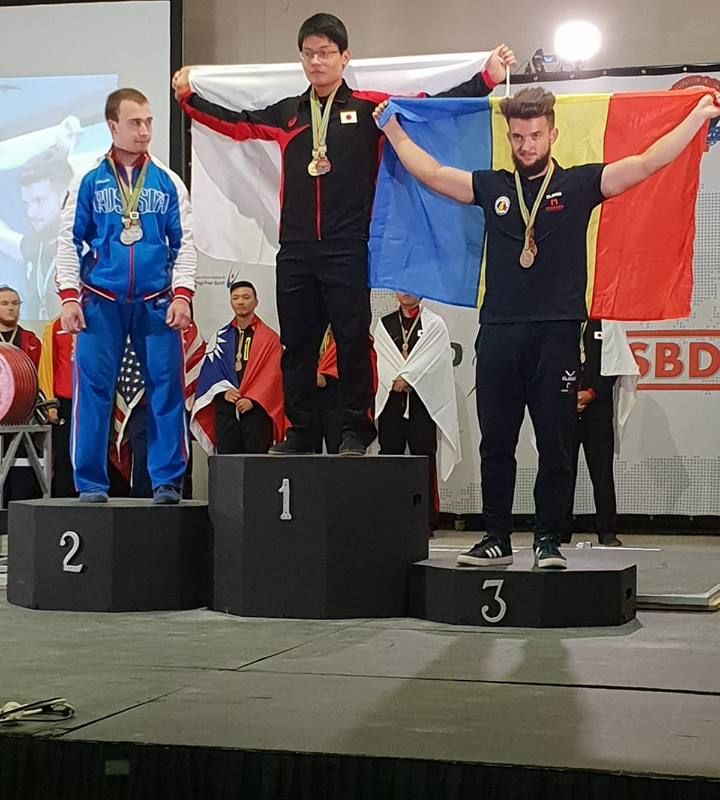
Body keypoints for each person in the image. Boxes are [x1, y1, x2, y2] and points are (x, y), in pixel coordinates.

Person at [374, 86, 720, 569]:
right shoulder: (493, 186)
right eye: (518, 137)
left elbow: (646, 163)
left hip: (557, 334)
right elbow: (432, 174)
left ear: (552, 134)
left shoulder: (579, 184)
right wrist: (392, 128)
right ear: (509, 137)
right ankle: (495, 538)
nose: (527, 145)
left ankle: (548, 541)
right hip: (499, 331)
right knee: (496, 443)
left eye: (535, 135)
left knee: (556, 443)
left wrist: (697, 118)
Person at [172, 13, 515, 456]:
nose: (317, 62)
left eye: (326, 53)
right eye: (309, 54)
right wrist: (189, 98)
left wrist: (486, 78)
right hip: (295, 248)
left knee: (351, 340)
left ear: (344, 57)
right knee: (297, 345)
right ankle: (301, 431)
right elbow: (237, 123)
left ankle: (356, 428)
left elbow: (427, 106)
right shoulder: (288, 113)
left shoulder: (369, 108)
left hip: (348, 245)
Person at [55, 88, 197, 505]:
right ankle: (90, 482)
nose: (145, 131)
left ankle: (167, 481)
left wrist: (183, 295)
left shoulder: (168, 181)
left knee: (166, 389)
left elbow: (185, 243)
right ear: (112, 126)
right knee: (93, 390)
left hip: (156, 301)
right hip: (101, 300)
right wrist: (69, 297)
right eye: (135, 123)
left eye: (149, 122)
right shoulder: (87, 180)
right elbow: (68, 241)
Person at [374, 293, 461, 531]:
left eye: (411, 287)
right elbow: (382, 359)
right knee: (390, 455)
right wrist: (398, 378)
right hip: (392, 400)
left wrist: (410, 378)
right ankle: (390, 516)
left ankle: (426, 518)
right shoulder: (385, 324)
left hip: (423, 402)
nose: (406, 293)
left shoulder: (434, 324)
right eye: (401, 288)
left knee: (424, 457)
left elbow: (434, 361)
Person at [190, 281, 286, 455]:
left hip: (255, 410)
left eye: (246, 297)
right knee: (227, 462)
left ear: (256, 302)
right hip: (227, 407)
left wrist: (253, 399)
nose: (241, 302)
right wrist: (224, 391)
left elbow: (273, 377)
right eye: (235, 298)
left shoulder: (270, 339)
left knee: (256, 463)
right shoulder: (220, 337)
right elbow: (210, 372)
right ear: (231, 302)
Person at [0, 148, 73, 320]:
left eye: (39, 201)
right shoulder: (36, 243)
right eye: (26, 203)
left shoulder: (87, 246)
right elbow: (4, 237)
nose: (31, 213)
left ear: (64, 195)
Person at [0, 286, 43, 506]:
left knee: (23, 466)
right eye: (5, 303)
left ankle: (20, 510)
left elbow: (39, 377)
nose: (11, 308)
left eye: (15, 303)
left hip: (23, 417)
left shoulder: (31, 341)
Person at [37, 315, 76, 496]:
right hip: (64, 401)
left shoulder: (96, 322)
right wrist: (50, 403)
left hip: (91, 401)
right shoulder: (54, 326)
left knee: (91, 452)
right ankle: (63, 498)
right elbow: (47, 366)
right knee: (63, 454)